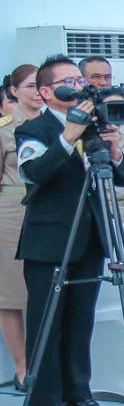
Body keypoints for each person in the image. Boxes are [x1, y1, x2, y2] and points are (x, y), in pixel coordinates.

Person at [14, 55, 124, 406]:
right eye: (69, 82)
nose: (80, 88)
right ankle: (45, 403)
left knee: (81, 321)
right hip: (50, 240)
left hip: (91, 238)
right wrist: (69, 134)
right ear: (47, 92)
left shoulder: (95, 126)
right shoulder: (33, 130)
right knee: (47, 323)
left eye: (81, 82)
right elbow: (34, 174)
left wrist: (114, 151)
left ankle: (79, 395)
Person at [1, 65, 42, 387]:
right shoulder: (4, 129)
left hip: (48, 209)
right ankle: (21, 367)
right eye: (29, 86)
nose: (36, 91)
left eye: (40, 85)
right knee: (12, 296)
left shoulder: (57, 125)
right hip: (12, 209)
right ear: (14, 91)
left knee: (45, 290)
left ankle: (45, 363)